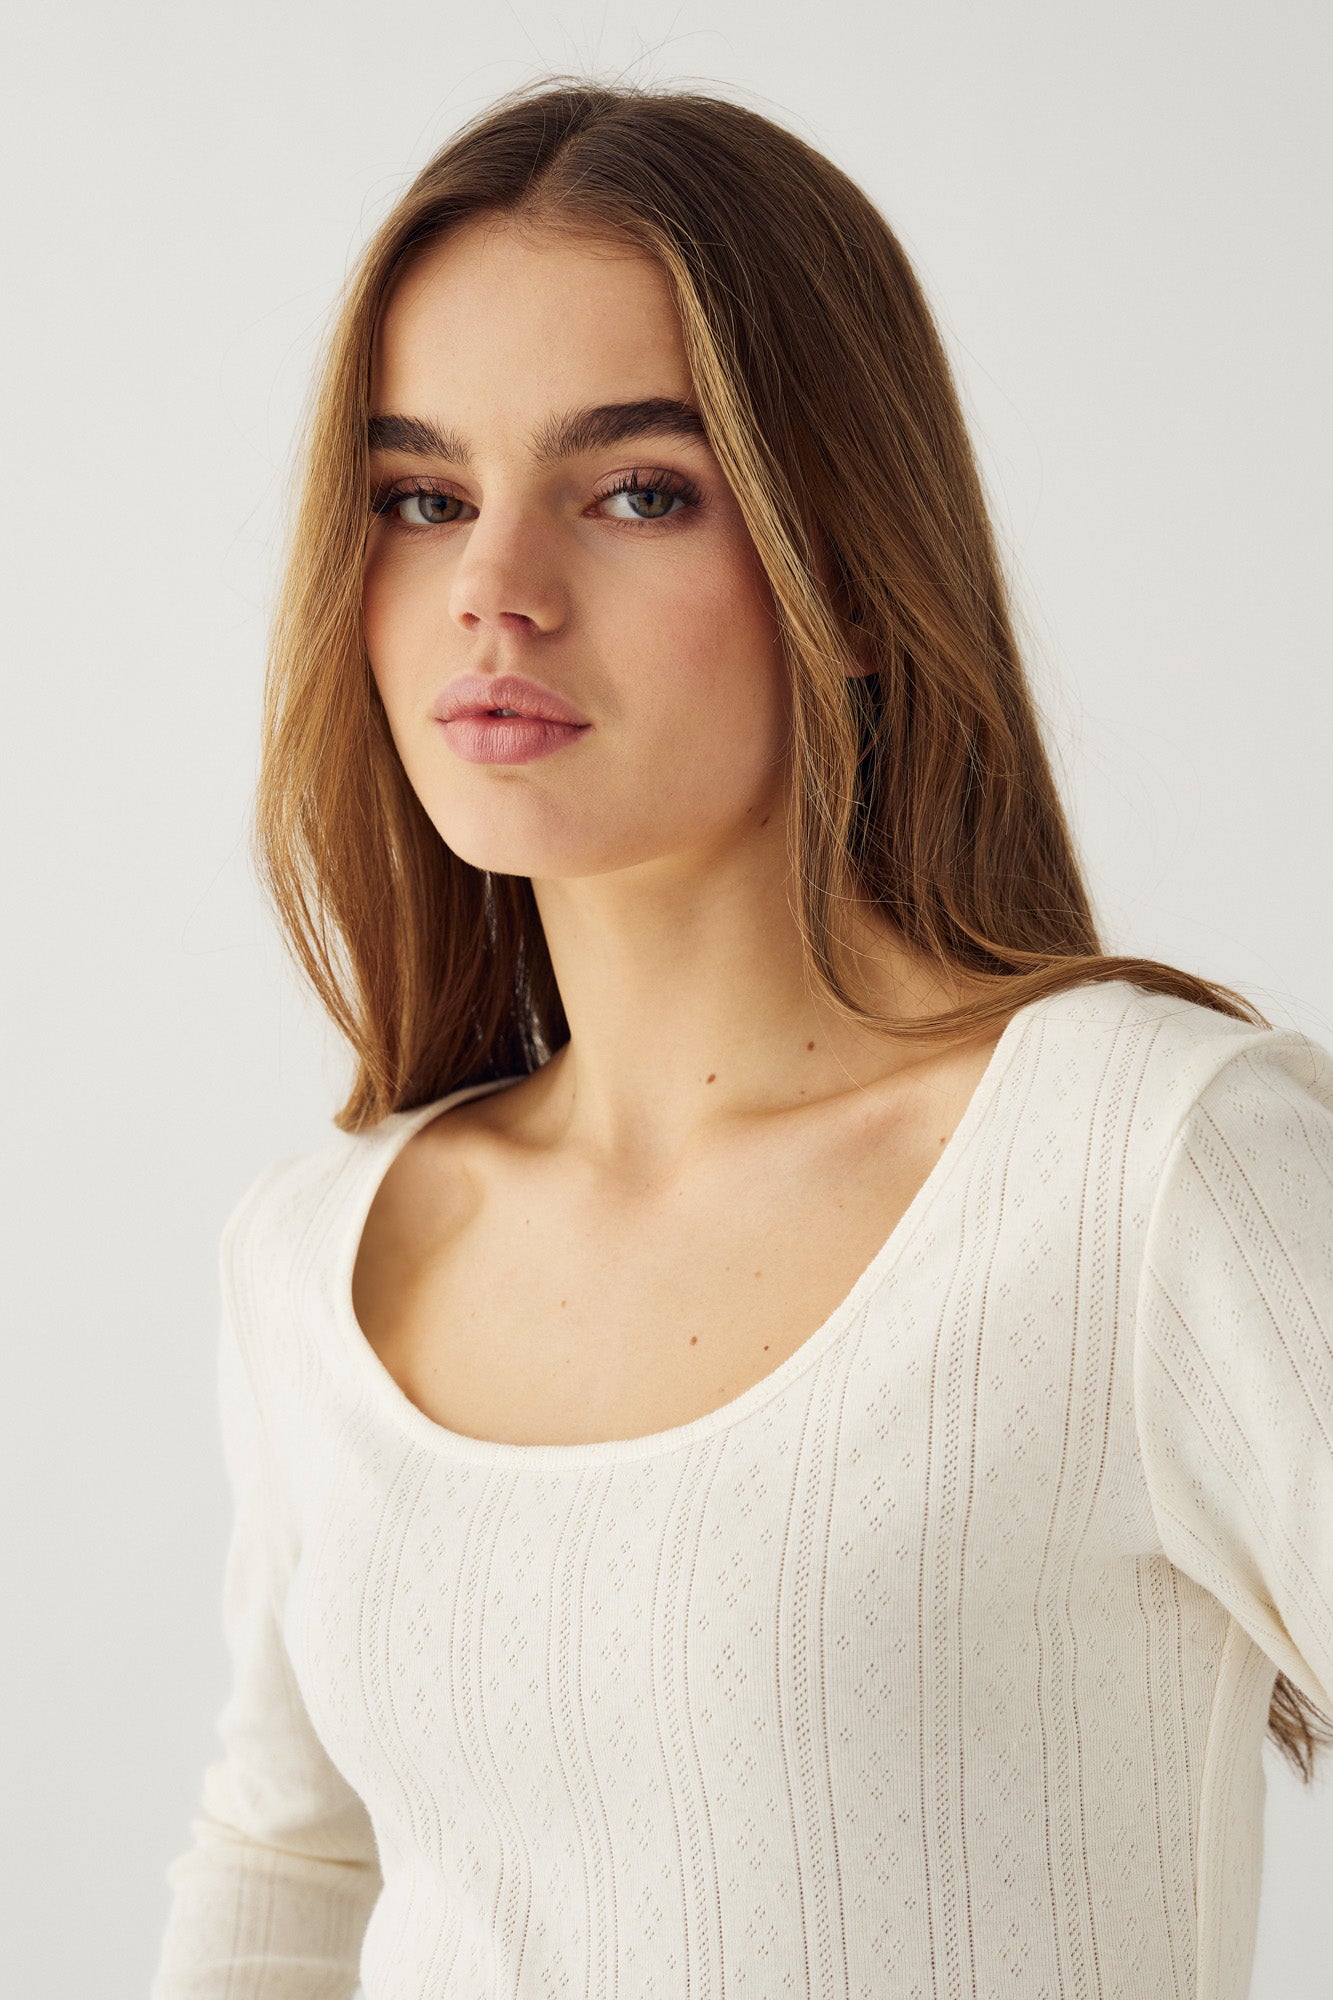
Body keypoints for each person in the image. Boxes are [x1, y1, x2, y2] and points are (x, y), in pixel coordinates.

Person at [150, 76, 1333, 2000]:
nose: (493, 594)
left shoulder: (1147, 1170)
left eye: (636, 491)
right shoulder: (317, 1254)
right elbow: (282, 1871)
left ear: (847, 570)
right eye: (422, 499)